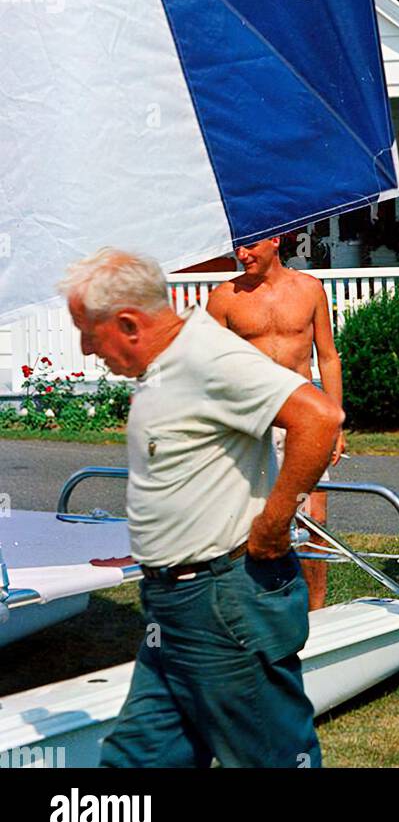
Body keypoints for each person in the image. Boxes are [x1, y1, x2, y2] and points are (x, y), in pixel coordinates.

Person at [61, 247, 342, 769]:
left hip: (223, 604)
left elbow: (319, 418)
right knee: (136, 763)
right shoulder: (167, 364)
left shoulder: (206, 357)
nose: (84, 348)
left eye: (87, 331)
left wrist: (274, 523)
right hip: (173, 611)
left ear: (126, 323)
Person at [207, 235, 344, 610]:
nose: (241, 254)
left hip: (305, 417)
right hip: (250, 422)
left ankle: (317, 612)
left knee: (313, 518)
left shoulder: (309, 289)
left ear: (275, 240)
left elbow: (328, 357)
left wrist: (335, 420)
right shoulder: (224, 298)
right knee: (248, 519)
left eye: (250, 245)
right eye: (236, 246)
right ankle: (255, 605)